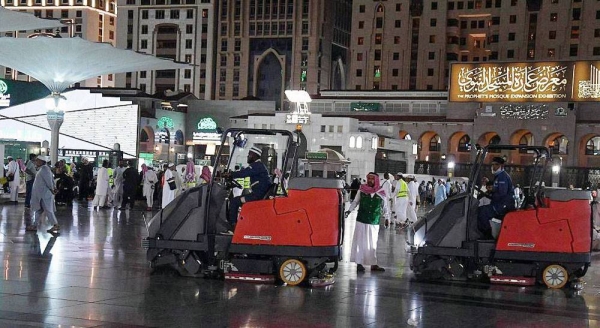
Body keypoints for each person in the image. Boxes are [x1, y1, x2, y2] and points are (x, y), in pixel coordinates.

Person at [344, 172, 388, 272]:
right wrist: (349, 211)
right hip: (361, 219)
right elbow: (355, 201)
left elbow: (385, 206)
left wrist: (387, 218)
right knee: (360, 242)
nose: (370, 181)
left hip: (374, 220)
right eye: (369, 178)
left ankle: (373, 264)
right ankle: (359, 263)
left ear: (376, 180)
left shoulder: (381, 191)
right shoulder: (362, 190)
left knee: (372, 243)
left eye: (372, 179)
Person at [224, 146, 270, 234]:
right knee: (236, 200)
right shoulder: (259, 166)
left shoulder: (256, 166)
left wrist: (229, 174)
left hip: (256, 196)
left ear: (254, 155)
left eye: (249, 155)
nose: (248, 157)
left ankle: (233, 227)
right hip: (258, 194)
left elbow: (243, 173)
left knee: (234, 201)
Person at [477, 156, 515, 238]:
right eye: (492, 164)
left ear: (502, 166)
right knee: (482, 210)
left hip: (502, 205)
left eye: (496, 165)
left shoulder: (502, 177)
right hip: (499, 204)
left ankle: (487, 235)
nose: (494, 167)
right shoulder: (498, 176)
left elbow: (502, 194)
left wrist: (491, 194)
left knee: (481, 211)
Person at [27, 156, 60, 233]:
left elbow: (49, 181)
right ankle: (35, 225)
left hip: (45, 194)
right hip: (41, 194)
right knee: (39, 210)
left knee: (48, 210)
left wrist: (52, 189)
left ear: (42, 161)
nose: (36, 162)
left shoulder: (44, 169)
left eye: (37, 160)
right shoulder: (43, 169)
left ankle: (55, 225)